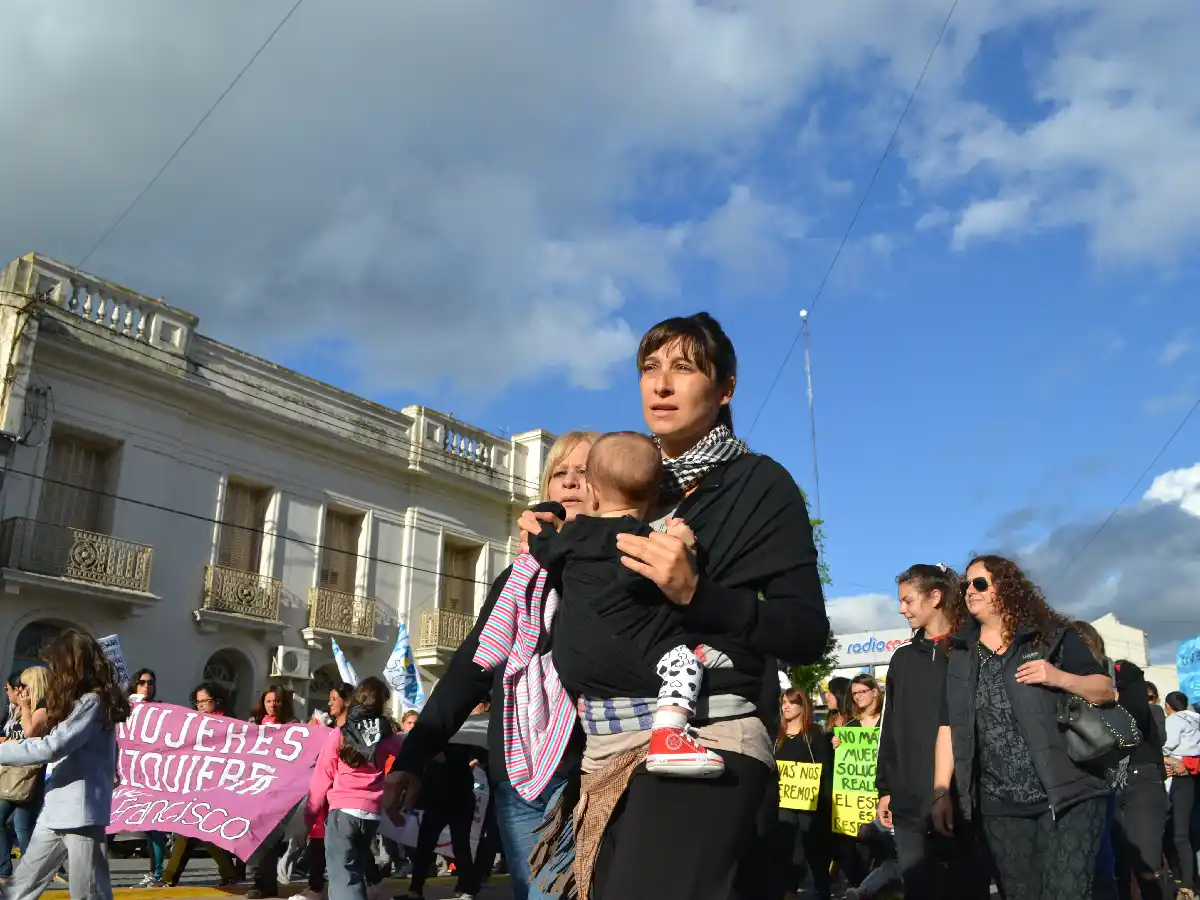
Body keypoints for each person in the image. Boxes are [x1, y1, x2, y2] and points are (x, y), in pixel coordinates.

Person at [523, 313, 830, 900]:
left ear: (725, 389)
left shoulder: (762, 486)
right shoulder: (631, 486)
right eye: (650, 368)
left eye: (683, 368)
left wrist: (698, 594)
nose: (661, 385)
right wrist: (548, 531)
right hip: (607, 746)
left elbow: (806, 632)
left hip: (708, 736)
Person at [391, 429, 596, 900]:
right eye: (559, 473)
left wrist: (567, 555)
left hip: (590, 768)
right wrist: (414, 756)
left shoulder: (621, 562)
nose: (569, 482)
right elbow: (472, 666)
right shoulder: (517, 577)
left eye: (583, 473)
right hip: (518, 775)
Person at [527, 430, 724, 777]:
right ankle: (669, 737)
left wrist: (543, 516)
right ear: (654, 497)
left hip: (572, 662)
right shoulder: (644, 540)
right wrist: (685, 547)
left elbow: (544, 548)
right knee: (685, 664)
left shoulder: (570, 537)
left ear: (592, 492)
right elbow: (650, 579)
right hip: (632, 658)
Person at [934, 555, 1114, 900]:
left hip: (1068, 794)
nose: (970, 591)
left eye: (980, 583)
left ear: (1006, 588)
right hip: (999, 805)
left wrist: (1057, 676)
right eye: (966, 585)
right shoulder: (960, 653)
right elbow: (948, 726)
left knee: (1068, 893)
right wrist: (942, 791)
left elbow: (1104, 690)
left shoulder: (1049, 637)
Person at [875, 563, 987, 900]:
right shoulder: (903, 660)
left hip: (964, 801)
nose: (901, 608)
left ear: (935, 596)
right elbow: (890, 726)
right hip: (909, 803)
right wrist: (885, 787)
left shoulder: (972, 651)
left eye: (908, 600)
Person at [0, 630, 131, 900]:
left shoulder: (92, 702)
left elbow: (53, 746)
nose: (54, 673)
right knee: (19, 888)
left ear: (73, 665)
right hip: (58, 807)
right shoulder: (79, 703)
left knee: (89, 893)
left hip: (81, 812)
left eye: (57, 665)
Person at [305, 677, 403, 900]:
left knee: (343, 876)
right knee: (356, 870)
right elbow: (407, 754)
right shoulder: (386, 734)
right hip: (371, 814)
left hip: (343, 812)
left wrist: (309, 815)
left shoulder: (339, 734)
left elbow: (322, 776)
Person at [1109, 659, 1170, 900]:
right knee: (1117, 865)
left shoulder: (1144, 705)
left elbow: (1135, 712)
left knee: (1147, 864)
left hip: (1141, 777)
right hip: (1107, 780)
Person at [766, 687, 833, 900]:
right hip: (784, 802)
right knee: (787, 850)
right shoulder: (777, 734)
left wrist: (826, 801)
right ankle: (790, 892)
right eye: (783, 701)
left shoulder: (814, 733)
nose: (785, 706)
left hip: (810, 806)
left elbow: (825, 769)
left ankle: (823, 892)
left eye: (791, 702)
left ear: (802, 705)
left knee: (814, 851)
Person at [0, 669, 49, 886]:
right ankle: (8, 870)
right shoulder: (17, 710)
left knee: (23, 825)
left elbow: (29, 735)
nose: (20, 691)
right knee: (18, 823)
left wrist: (26, 707)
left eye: (23, 686)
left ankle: (32, 872)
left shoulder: (42, 710)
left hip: (30, 774)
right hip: (14, 773)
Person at [130, 668, 172, 889]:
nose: (147, 686)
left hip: (153, 776)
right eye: (142, 682)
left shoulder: (161, 710)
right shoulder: (125, 708)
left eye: (150, 683)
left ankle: (156, 874)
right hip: (128, 774)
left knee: (153, 825)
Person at [1162, 691, 1199, 896]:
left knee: (1179, 835)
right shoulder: (1197, 717)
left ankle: (1186, 884)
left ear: (1169, 706)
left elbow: (1168, 745)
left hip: (1179, 776)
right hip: (1195, 774)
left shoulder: (1174, 719)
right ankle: (1189, 880)